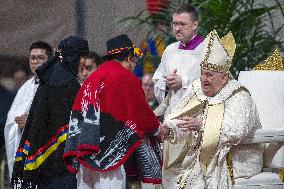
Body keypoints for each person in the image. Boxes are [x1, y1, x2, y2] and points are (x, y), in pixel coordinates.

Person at [160, 30, 263, 188]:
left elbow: (237, 131)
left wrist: (202, 125)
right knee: (169, 176)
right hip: (199, 155)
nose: (203, 79)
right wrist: (169, 129)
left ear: (224, 78)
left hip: (234, 157)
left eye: (209, 75)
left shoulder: (239, 95)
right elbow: (181, 118)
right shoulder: (197, 89)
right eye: (202, 74)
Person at [63, 34, 163, 189]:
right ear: (129, 58)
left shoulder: (91, 79)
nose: (134, 64)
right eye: (134, 60)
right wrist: (158, 130)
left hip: (85, 156)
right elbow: (141, 114)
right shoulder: (126, 78)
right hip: (108, 159)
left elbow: (77, 113)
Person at [11, 36, 89, 189]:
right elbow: (70, 127)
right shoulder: (65, 83)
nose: (83, 63)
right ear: (76, 58)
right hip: (59, 165)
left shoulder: (53, 74)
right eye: (83, 58)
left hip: (44, 162)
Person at [4, 41, 52, 178]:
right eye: (33, 58)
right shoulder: (26, 87)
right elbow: (10, 122)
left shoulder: (56, 86)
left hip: (46, 156)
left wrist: (31, 123)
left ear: (49, 60)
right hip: (24, 153)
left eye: (41, 58)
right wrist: (19, 125)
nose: (36, 61)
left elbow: (62, 121)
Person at [153, 3, 204, 116]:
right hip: (172, 116)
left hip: (196, 118)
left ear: (194, 25)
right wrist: (166, 84)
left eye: (182, 24)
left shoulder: (207, 49)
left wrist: (183, 82)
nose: (177, 29)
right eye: (175, 24)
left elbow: (215, 85)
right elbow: (157, 81)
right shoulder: (170, 50)